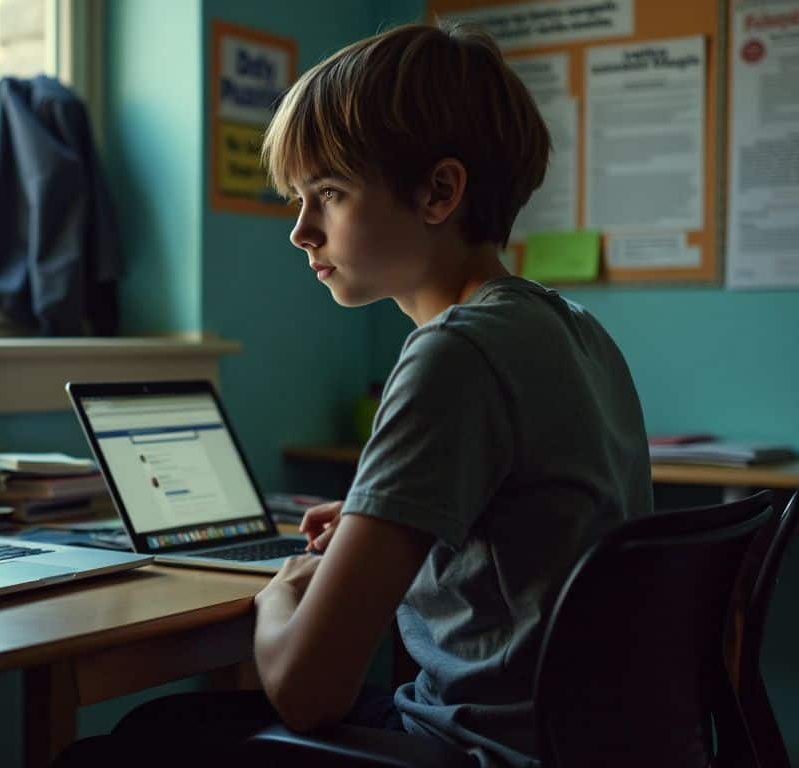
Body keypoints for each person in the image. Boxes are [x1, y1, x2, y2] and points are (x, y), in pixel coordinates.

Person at [53, 21, 650, 768]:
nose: (301, 231)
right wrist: (392, 527)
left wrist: (281, 594)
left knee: (114, 751)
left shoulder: (454, 352)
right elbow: (537, 544)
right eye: (298, 199)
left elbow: (306, 691)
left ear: (440, 191)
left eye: (328, 194)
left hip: (475, 750)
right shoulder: (576, 330)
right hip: (570, 740)